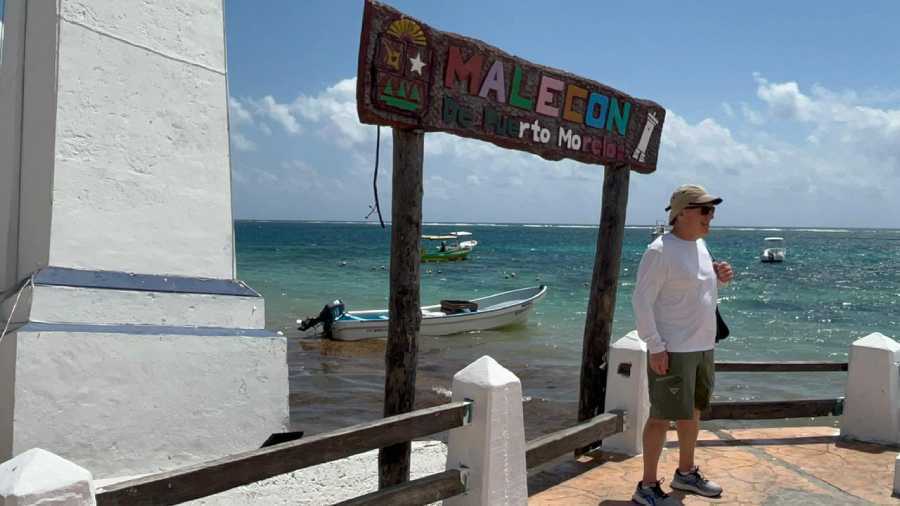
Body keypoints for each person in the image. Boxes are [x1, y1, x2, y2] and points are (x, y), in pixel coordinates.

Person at [630, 184, 734, 505]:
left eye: (712, 210)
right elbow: (642, 301)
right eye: (705, 210)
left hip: (703, 348)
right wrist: (655, 346)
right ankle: (646, 486)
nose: (710, 216)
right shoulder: (659, 251)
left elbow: (693, 291)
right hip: (672, 350)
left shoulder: (701, 247)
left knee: (693, 412)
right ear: (683, 213)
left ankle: (685, 473)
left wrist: (719, 278)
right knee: (661, 417)